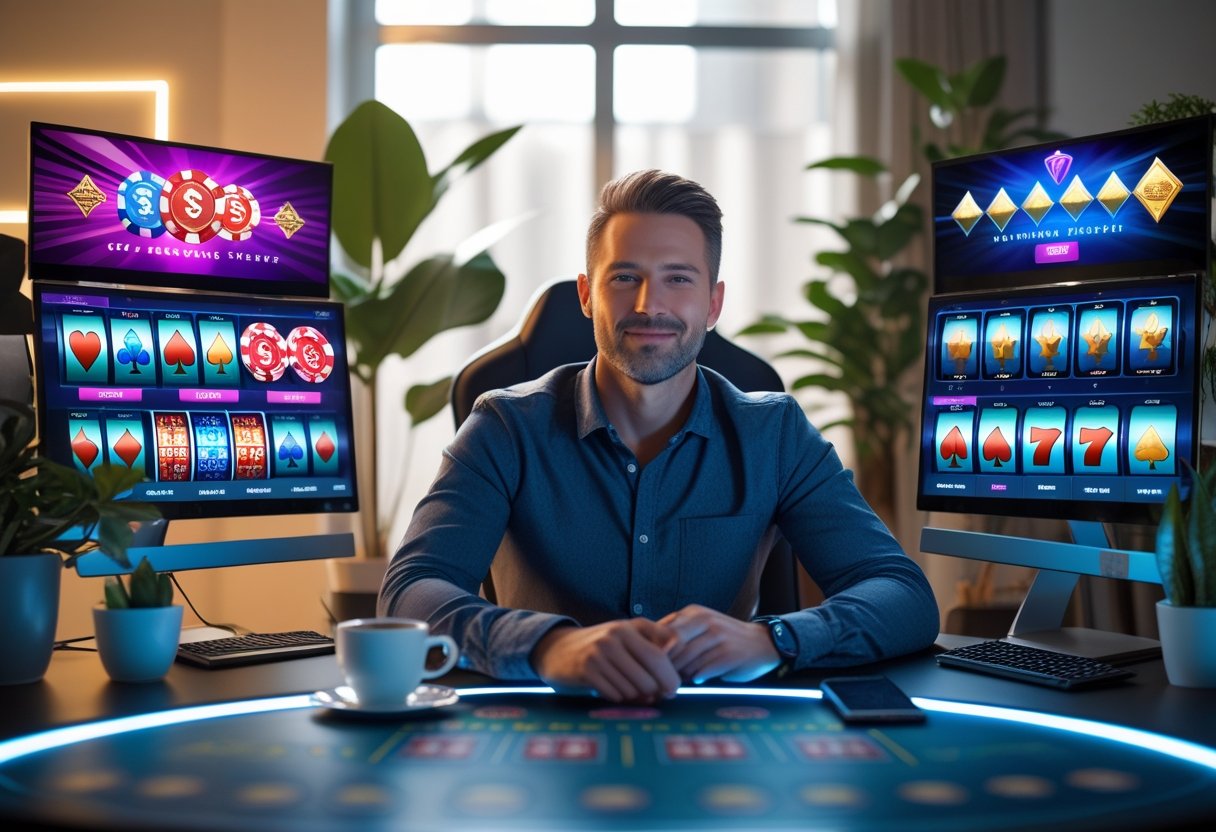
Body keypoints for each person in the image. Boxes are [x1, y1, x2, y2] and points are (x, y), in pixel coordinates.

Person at [379, 169, 938, 703]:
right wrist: (547, 645)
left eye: (678, 278)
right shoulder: (505, 427)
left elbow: (902, 596)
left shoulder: (775, 434)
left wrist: (773, 640)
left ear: (713, 303)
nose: (650, 305)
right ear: (586, 295)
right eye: (625, 278)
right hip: (543, 729)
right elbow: (410, 592)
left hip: (721, 733)